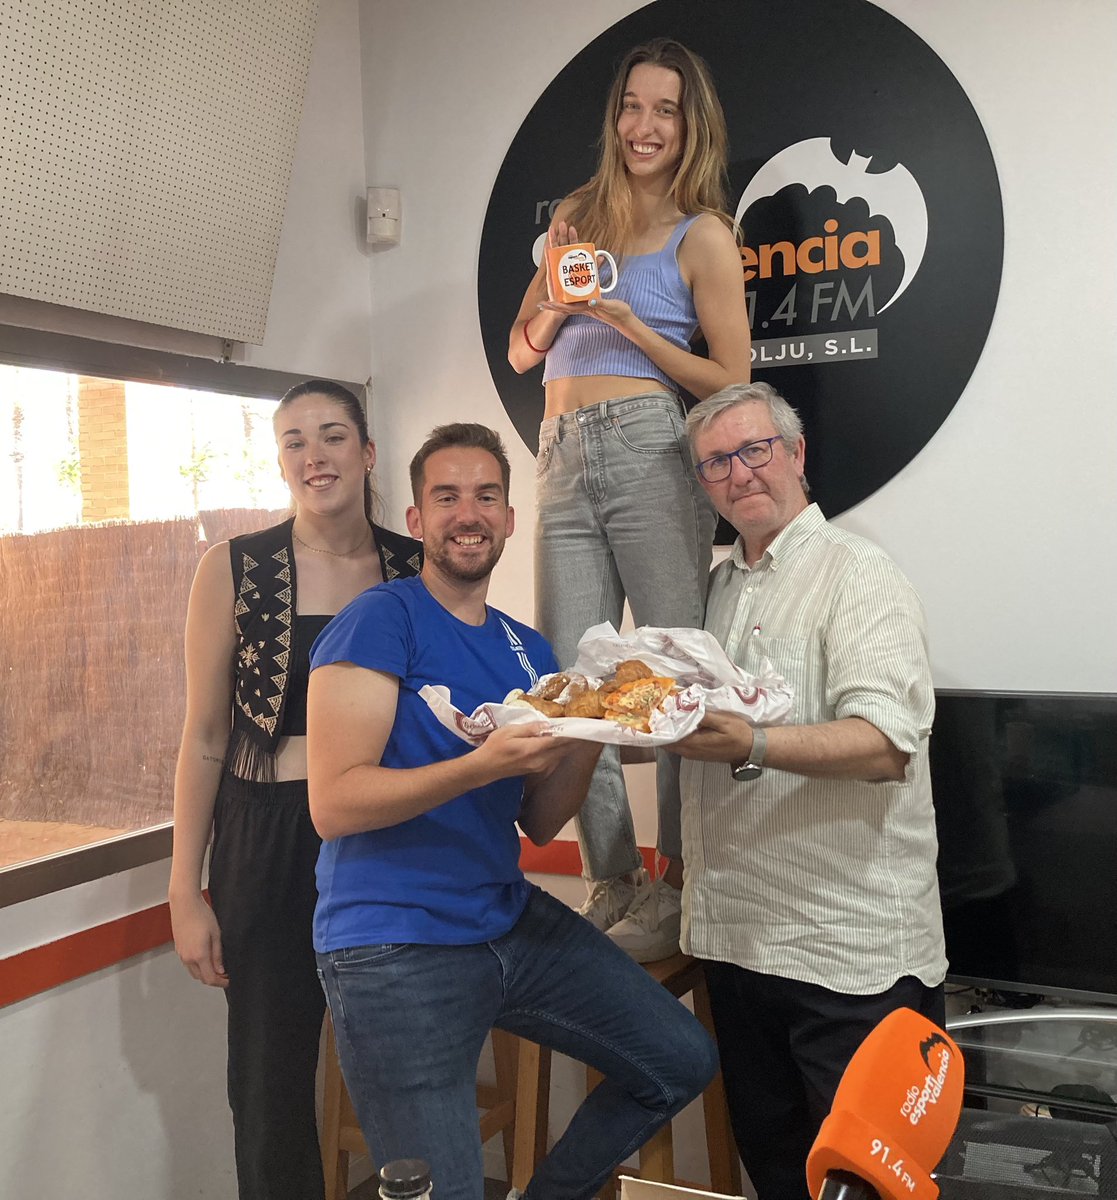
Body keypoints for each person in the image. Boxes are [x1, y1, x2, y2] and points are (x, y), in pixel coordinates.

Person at [307, 423, 718, 1200]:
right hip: (393, 947)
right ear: (416, 519)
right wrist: (476, 766)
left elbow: (538, 818)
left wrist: (600, 721)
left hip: (504, 921)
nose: (469, 513)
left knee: (677, 1059)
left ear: (509, 519)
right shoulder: (379, 619)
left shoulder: (527, 648)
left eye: (486, 496)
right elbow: (334, 803)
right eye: (447, 496)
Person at [672, 381, 948, 1200]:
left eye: (755, 449)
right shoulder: (712, 594)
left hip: (848, 958)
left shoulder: (857, 575)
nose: (739, 473)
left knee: (866, 1188)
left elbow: (885, 743)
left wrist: (752, 740)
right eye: (716, 461)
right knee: (778, 1173)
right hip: (736, 944)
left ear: (795, 455)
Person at [507, 38, 751, 961]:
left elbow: (729, 377)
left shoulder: (703, 234)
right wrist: (562, 306)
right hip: (559, 450)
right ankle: (613, 879)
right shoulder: (575, 216)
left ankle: (685, 886)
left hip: (651, 444)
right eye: (633, 108)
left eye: (665, 111)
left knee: (678, 670)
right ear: (615, 118)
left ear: (689, 127)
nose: (645, 127)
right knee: (574, 682)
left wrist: (631, 327)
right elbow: (522, 352)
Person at [168, 379, 422, 1200]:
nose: (315, 456)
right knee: (271, 1074)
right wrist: (184, 888)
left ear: (367, 452)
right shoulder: (235, 568)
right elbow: (205, 737)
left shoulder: (413, 567)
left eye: (333, 436)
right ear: (280, 462)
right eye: (294, 442)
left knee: (401, 1055)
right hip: (265, 831)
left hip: (385, 831)